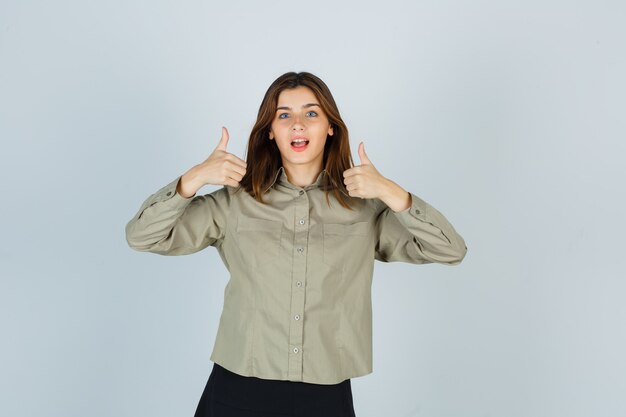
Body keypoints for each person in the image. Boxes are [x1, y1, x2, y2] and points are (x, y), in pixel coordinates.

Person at [125, 71, 467, 417]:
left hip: (325, 392)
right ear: (270, 131)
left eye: (311, 113)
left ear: (330, 127)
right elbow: (142, 235)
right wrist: (193, 178)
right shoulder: (235, 203)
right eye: (284, 115)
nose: (297, 125)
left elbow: (449, 249)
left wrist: (392, 192)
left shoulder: (364, 209)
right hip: (239, 385)